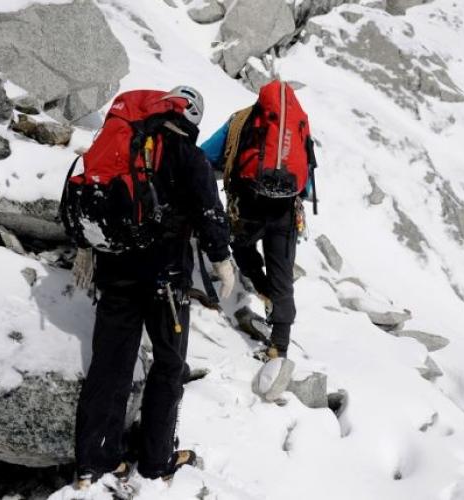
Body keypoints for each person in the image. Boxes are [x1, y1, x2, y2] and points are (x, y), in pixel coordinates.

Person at [67, 86, 235, 487]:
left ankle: (95, 461)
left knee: (110, 366)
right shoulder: (186, 155)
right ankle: (157, 459)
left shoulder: (121, 140)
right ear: (192, 119)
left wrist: (85, 247)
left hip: (115, 272)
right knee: (169, 365)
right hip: (166, 281)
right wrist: (222, 260)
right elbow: (210, 212)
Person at [201, 80, 317, 361]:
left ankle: (260, 286)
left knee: (240, 248)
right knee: (283, 277)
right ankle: (279, 347)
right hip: (285, 213)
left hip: (247, 208)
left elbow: (206, 155)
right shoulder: (300, 124)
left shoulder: (241, 120)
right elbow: (307, 185)